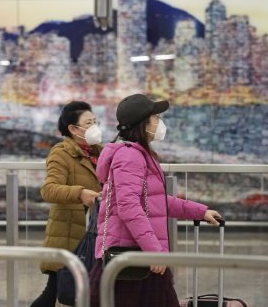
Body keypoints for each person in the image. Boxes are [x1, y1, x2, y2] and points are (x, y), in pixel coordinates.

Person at [90, 94, 222, 307]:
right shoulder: (130, 156)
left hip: (140, 254)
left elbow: (155, 202)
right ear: (142, 123)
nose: (160, 123)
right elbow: (129, 206)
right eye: (156, 118)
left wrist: (199, 211)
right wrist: (154, 251)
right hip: (134, 257)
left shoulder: (140, 154)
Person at [30, 101, 103, 307]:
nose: (95, 126)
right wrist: (80, 193)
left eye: (95, 121)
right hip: (68, 234)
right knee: (56, 291)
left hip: (92, 233)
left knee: (71, 292)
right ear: (73, 129)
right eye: (89, 123)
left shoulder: (99, 152)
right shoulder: (61, 152)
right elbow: (49, 189)